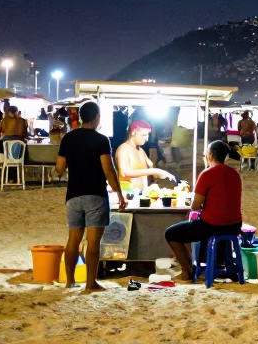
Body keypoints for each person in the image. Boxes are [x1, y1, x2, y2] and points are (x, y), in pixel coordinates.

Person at [54, 101, 126, 292]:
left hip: (74, 195)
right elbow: (108, 170)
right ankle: (90, 283)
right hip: (95, 194)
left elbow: (59, 168)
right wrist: (119, 193)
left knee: (73, 240)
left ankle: (70, 282)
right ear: (97, 118)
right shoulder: (101, 140)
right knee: (93, 242)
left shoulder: (68, 139)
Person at [165, 140, 243, 283]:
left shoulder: (207, 174)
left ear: (211, 155)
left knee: (171, 233)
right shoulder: (234, 174)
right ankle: (191, 269)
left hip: (213, 225)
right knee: (191, 227)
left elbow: (195, 206)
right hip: (235, 225)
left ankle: (189, 270)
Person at [115, 120, 176, 191]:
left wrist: (157, 175)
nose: (147, 139)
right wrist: (155, 171)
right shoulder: (123, 149)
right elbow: (125, 172)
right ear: (134, 132)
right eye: (143, 135)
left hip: (143, 194)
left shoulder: (141, 150)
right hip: (128, 195)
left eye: (148, 135)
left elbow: (149, 170)